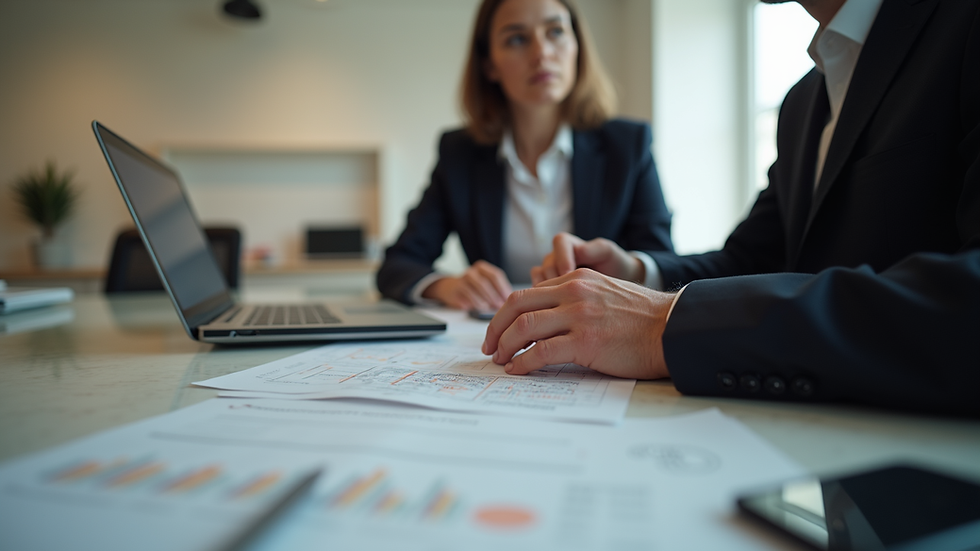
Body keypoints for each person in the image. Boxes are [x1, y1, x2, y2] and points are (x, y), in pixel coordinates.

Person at [482, 0, 980, 416]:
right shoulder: (803, 103)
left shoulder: (964, 25)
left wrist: (666, 324)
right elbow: (748, 259)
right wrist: (639, 269)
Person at [376, 0, 674, 312]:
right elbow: (397, 265)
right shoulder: (460, 154)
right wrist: (446, 286)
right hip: (494, 336)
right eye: (517, 39)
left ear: (577, 46)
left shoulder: (627, 144)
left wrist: (626, 268)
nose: (542, 53)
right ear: (489, 64)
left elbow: (664, 264)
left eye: (556, 31)